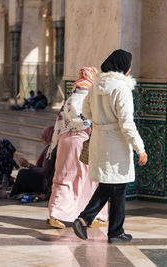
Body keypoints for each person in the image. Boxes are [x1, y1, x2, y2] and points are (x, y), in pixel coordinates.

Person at [72, 49, 148, 244]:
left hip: (100, 138)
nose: (130, 69)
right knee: (117, 186)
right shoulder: (122, 89)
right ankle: (109, 229)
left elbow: (86, 110)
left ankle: (97, 224)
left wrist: (101, 121)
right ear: (123, 66)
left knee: (110, 185)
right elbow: (127, 123)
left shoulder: (96, 85)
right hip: (116, 143)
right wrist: (140, 148)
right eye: (129, 65)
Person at [47, 67, 108, 229]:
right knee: (88, 179)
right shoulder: (91, 98)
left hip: (65, 144)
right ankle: (95, 215)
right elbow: (95, 123)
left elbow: (59, 123)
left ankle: (55, 213)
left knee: (64, 177)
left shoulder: (70, 98)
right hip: (84, 144)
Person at [10, 126, 57, 198]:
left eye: (43, 139)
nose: (43, 142)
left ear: (47, 137)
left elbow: (45, 171)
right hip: (50, 182)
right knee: (26, 174)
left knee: (23, 173)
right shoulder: (56, 147)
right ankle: (17, 193)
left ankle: (13, 194)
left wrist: (28, 165)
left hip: (47, 184)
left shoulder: (50, 150)